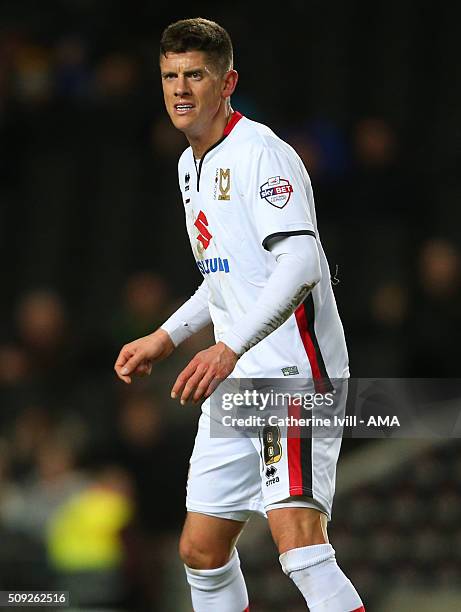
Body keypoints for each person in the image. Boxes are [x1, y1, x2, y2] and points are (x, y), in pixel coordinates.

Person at [114, 17, 365, 612]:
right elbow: (226, 276)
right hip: (238, 384)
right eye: (170, 75)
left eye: (195, 75)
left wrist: (229, 348)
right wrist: (167, 336)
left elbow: (300, 263)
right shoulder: (188, 164)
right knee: (201, 550)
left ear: (227, 83)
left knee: (298, 546)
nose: (180, 89)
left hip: (292, 378)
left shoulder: (261, 155)